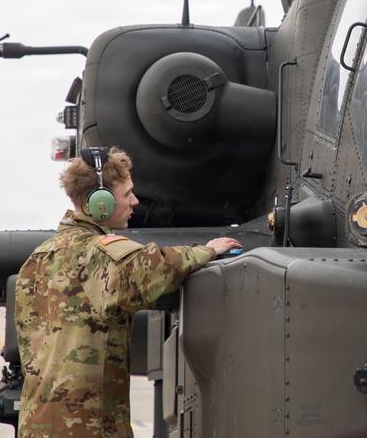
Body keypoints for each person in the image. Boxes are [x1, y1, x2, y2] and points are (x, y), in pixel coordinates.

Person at [15, 146, 241, 437]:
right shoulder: (98, 252)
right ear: (100, 203)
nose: (135, 201)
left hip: (36, 425)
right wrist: (207, 251)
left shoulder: (36, 260)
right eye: (127, 194)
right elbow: (152, 269)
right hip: (86, 428)